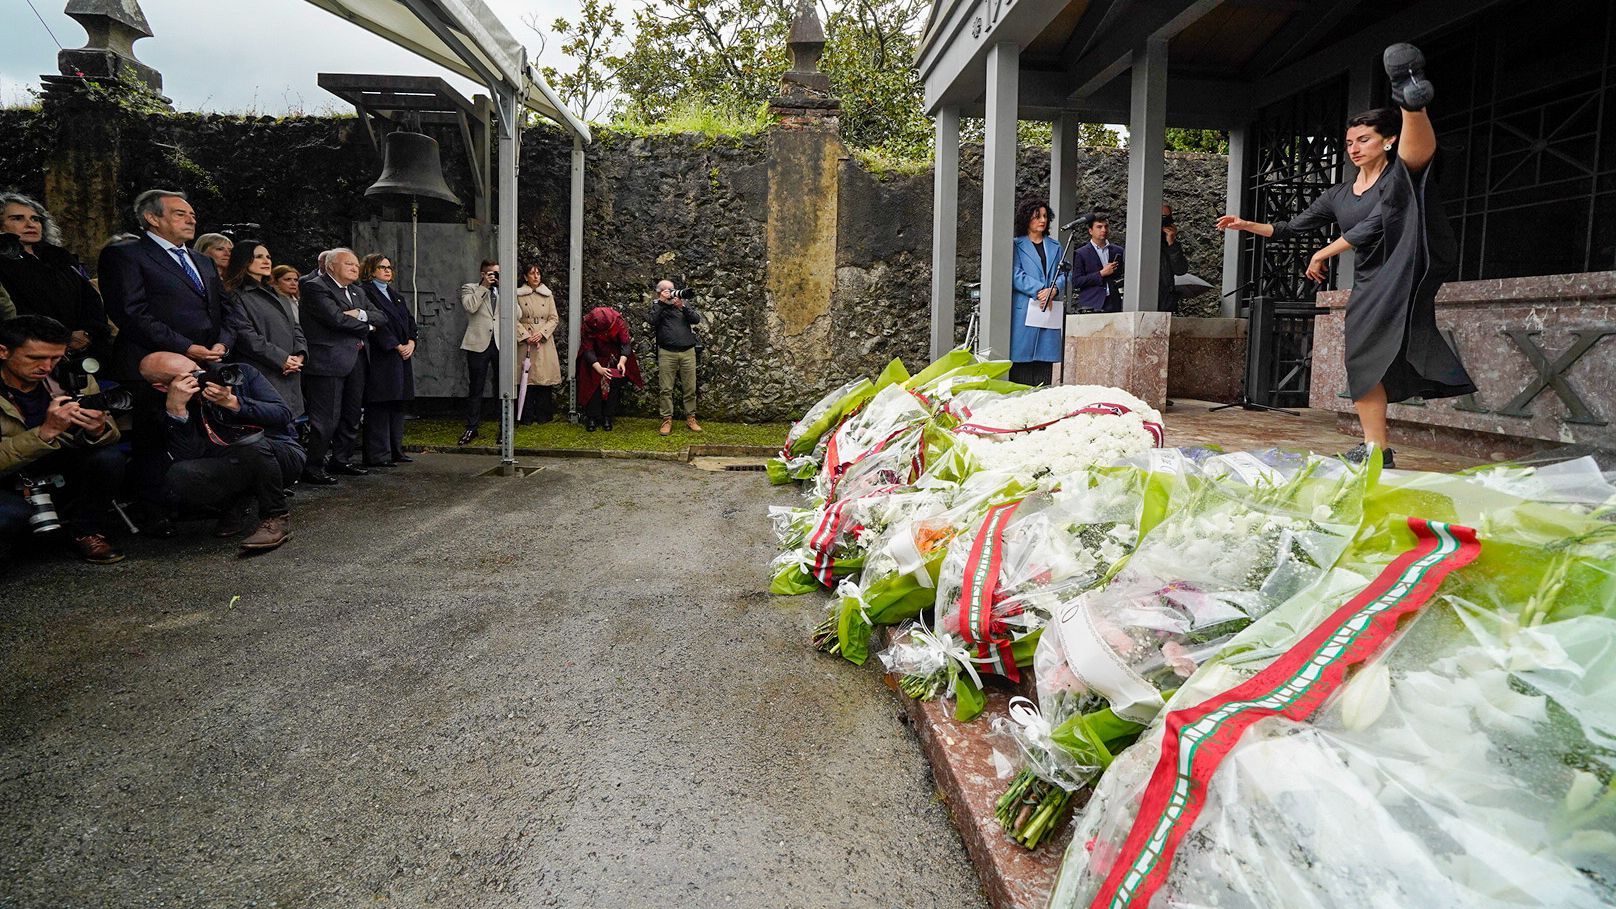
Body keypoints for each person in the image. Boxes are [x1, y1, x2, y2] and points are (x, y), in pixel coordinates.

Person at [1217, 44, 1475, 469]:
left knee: (1411, 175)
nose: (1353, 148)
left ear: (1387, 140)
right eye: (1349, 141)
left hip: (1407, 261)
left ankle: (1411, 103)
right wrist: (1245, 225)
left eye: (1364, 139)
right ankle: (1377, 449)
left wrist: (1326, 250)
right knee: (1362, 357)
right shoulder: (1338, 193)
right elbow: (1290, 227)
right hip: (1374, 277)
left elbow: (1378, 222)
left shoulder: (1393, 176)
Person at [139, 351, 302, 553]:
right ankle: (235, 501)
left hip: (278, 452)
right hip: (227, 461)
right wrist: (177, 411)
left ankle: (276, 517)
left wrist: (232, 403)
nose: (200, 375)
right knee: (180, 474)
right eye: (190, 375)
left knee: (249, 444)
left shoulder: (239, 373)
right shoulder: (163, 403)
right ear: (163, 387)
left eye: (197, 368)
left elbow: (282, 414)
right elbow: (189, 456)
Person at [0, 315, 126, 564]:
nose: (46, 366)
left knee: (109, 458)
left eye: (55, 357)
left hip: (58, 462)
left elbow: (111, 429)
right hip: (8, 474)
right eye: (35, 358)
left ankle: (85, 531)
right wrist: (44, 433)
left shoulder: (71, 375)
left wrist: (97, 430)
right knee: (11, 517)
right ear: (3, 351)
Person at [96, 189, 234, 380]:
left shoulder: (204, 261)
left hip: (209, 365)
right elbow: (130, 312)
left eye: (192, 215)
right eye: (180, 214)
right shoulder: (124, 254)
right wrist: (186, 347)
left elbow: (226, 309)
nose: (191, 220)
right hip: (151, 368)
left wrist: (223, 344)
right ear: (152, 218)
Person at [299, 248, 384, 484]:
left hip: (356, 358)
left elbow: (380, 316)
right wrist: (367, 327)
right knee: (326, 417)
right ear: (331, 266)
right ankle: (314, 465)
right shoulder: (315, 286)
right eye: (348, 264)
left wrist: (359, 314)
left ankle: (342, 459)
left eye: (356, 264)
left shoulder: (357, 291)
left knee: (351, 412)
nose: (355, 268)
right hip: (327, 361)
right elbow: (334, 319)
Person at [0, 193, 113, 362]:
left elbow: (91, 299)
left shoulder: (59, 257)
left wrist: (88, 332)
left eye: (35, 219)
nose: (30, 224)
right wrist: (60, 338)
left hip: (84, 353)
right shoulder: (4, 264)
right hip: (29, 351)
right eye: (17, 218)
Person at [224, 240, 306, 419]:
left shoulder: (278, 294)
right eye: (259, 256)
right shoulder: (235, 295)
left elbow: (296, 327)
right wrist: (282, 358)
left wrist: (300, 355)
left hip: (291, 373)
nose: (266, 260)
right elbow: (245, 335)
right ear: (244, 260)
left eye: (268, 256)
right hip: (262, 373)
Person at [358, 253, 417, 467]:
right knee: (381, 404)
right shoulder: (365, 292)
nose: (387, 270)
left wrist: (411, 341)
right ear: (370, 270)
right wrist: (395, 344)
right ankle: (378, 453)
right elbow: (375, 324)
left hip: (402, 356)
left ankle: (395, 449)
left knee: (397, 403)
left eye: (389, 267)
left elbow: (409, 320)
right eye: (382, 267)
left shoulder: (395, 295)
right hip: (382, 356)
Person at [1008, 198, 1068, 387]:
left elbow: (1066, 273)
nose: (1042, 220)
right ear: (1026, 219)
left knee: (1045, 361)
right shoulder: (1016, 245)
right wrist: (1040, 290)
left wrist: (1055, 289)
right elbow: (1014, 274)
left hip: (1048, 307)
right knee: (1021, 361)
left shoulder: (1055, 246)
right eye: (1037, 217)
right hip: (1025, 308)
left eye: (1044, 216)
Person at [648, 280, 704, 435]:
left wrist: (683, 307)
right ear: (659, 292)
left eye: (672, 289)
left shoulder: (681, 304)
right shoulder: (657, 306)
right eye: (666, 290)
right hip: (667, 352)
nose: (671, 293)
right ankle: (666, 420)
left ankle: (691, 418)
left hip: (688, 351)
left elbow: (696, 319)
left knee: (690, 388)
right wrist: (661, 303)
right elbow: (652, 320)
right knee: (666, 389)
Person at [576, 306, 643, 432]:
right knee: (592, 384)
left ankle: (608, 416)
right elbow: (588, 348)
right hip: (594, 357)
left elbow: (625, 343)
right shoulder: (587, 324)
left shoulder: (618, 320)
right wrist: (597, 367)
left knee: (614, 384)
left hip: (615, 355)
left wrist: (622, 362)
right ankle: (592, 417)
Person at [457, 259, 500, 446]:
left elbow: (517, 314)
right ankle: (472, 427)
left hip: (500, 344)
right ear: (483, 274)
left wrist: (504, 291)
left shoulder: (504, 290)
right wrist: (484, 287)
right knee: (476, 387)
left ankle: (503, 427)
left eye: (497, 273)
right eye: (491, 273)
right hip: (478, 343)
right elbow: (470, 307)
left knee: (502, 387)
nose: (494, 277)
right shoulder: (470, 288)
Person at [515, 263, 560, 424]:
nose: (536, 277)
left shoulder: (547, 295)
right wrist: (525, 335)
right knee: (525, 377)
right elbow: (513, 318)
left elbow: (553, 318)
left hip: (543, 338)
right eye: (532, 274)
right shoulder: (518, 295)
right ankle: (525, 415)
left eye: (538, 273)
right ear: (526, 277)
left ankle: (543, 415)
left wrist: (541, 333)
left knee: (543, 377)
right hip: (525, 339)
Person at [1070, 213, 1124, 314]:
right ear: (1090, 231)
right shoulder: (1081, 253)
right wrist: (1101, 274)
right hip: (1092, 302)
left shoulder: (1118, 251)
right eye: (1099, 227)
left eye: (1106, 226)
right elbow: (1076, 281)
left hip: (1114, 301)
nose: (1104, 230)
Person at [1158, 204, 1190, 315]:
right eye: (1162, 218)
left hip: (1165, 301)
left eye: (1168, 218)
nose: (1165, 222)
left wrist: (1172, 243)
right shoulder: (1141, 240)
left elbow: (1181, 270)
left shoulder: (1170, 244)